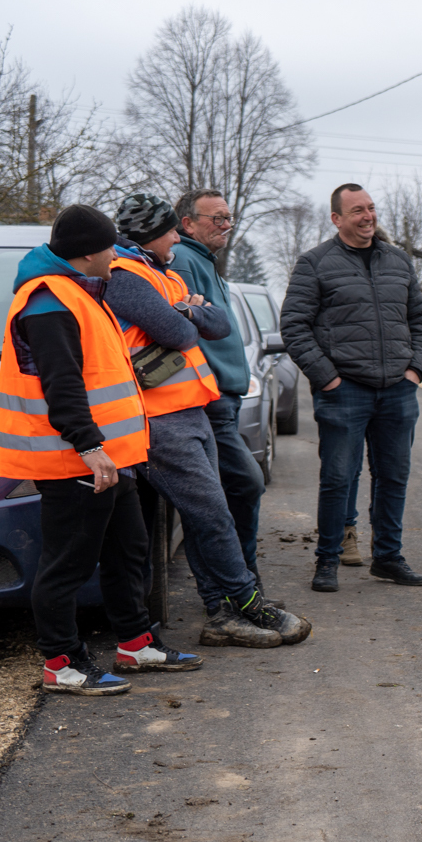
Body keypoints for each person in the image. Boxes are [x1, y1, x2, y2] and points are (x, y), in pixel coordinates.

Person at [0, 206, 201, 695]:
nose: (116, 254)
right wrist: (89, 446)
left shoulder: (82, 290)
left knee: (127, 550)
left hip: (112, 457)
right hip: (77, 460)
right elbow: (61, 384)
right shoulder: (48, 300)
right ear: (88, 253)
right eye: (110, 246)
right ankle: (61, 663)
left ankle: (135, 643)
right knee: (67, 563)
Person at [108, 194, 308, 649]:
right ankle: (247, 603)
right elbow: (181, 332)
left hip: (191, 408)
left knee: (207, 513)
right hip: (158, 416)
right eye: (170, 232)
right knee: (213, 513)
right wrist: (187, 312)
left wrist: (187, 311)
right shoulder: (125, 276)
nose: (176, 239)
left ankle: (222, 612)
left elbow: (218, 324)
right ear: (149, 234)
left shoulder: (161, 271)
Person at [280, 183, 422, 593]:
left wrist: (415, 369)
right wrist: (327, 378)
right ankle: (327, 560)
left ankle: (388, 558)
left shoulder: (398, 261)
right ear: (337, 219)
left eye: (371, 208)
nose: (368, 216)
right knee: (337, 478)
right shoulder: (315, 263)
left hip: (397, 389)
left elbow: (420, 319)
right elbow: (294, 326)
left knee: (393, 477)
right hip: (344, 390)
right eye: (357, 211)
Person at [171, 188, 266, 584]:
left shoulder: (206, 260)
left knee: (223, 495)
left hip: (224, 399)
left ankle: (239, 584)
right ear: (188, 224)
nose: (226, 225)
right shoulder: (184, 260)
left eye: (229, 218)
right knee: (244, 485)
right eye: (217, 218)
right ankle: (241, 584)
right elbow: (183, 328)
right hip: (208, 400)